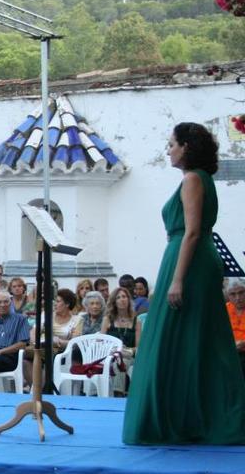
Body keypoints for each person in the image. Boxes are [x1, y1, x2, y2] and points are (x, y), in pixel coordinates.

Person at [123, 122, 245, 445]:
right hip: (193, 258)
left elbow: (191, 231)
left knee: (173, 339)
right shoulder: (202, 179)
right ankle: (198, 416)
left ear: (186, 147)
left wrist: (177, 279)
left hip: (188, 262)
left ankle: (176, 419)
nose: (168, 150)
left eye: (172, 144)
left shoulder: (193, 179)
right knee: (199, 341)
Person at [102, 287, 141, 395]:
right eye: (118, 297)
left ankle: (117, 392)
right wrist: (116, 350)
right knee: (119, 360)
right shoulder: (107, 320)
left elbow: (139, 347)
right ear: (114, 302)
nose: (122, 299)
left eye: (124, 296)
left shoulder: (136, 321)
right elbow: (102, 342)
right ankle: (118, 393)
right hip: (111, 354)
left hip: (129, 355)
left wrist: (127, 350)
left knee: (122, 359)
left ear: (129, 299)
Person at [225, 280, 245, 378]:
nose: (238, 298)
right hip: (228, 351)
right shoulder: (224, 309)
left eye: (241, 292)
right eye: (233, 294)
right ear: (228, 296)